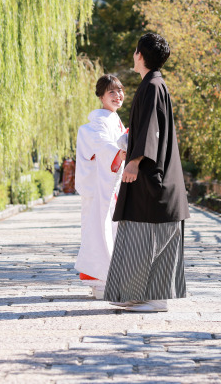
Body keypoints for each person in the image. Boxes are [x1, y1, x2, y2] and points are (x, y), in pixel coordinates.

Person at [103, 33, 189, 312]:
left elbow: (151, 127)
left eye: (134, 51)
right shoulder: (154, 84)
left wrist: (135, 160)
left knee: (146, 235)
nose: (132, 55)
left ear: (140, 55)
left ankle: (154, 297)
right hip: (156, 175)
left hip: (152, 175)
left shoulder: (152, 85)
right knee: (148, 236)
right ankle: (144, 295)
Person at [74, 74, 128, 299]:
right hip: (100, 189)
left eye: (120, 91)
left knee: (111, 231)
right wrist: (122, 151)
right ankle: (102, 280)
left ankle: (108, 278)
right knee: (100, 231)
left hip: (111, 186)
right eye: (111, 92)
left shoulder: (114, 120)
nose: (118, 96)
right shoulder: (98, 122)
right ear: (101, 96)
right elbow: (103, 145)